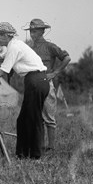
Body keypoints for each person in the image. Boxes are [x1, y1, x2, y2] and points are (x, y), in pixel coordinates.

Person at [0, 22, 49, 159]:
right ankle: (22, 154)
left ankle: (36, 156)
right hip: (36, 81)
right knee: (23, 120)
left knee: (34, 119)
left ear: (5, 35)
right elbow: (2, 57)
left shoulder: (14, 47)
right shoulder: (14, 44)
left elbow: (3, 70)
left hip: (36, 81)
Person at [24, 18, 71, 151]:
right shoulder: (28, 48)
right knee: (37, 118)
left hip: (46, 84)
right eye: (31, 31)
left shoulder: (51, 46)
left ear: (42, 31)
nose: (32, 34)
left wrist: (55, 72)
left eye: (35, 31)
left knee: (49, 118)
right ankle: (39, 146)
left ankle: (51, 148)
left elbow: (67, 58)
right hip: (32, 85)